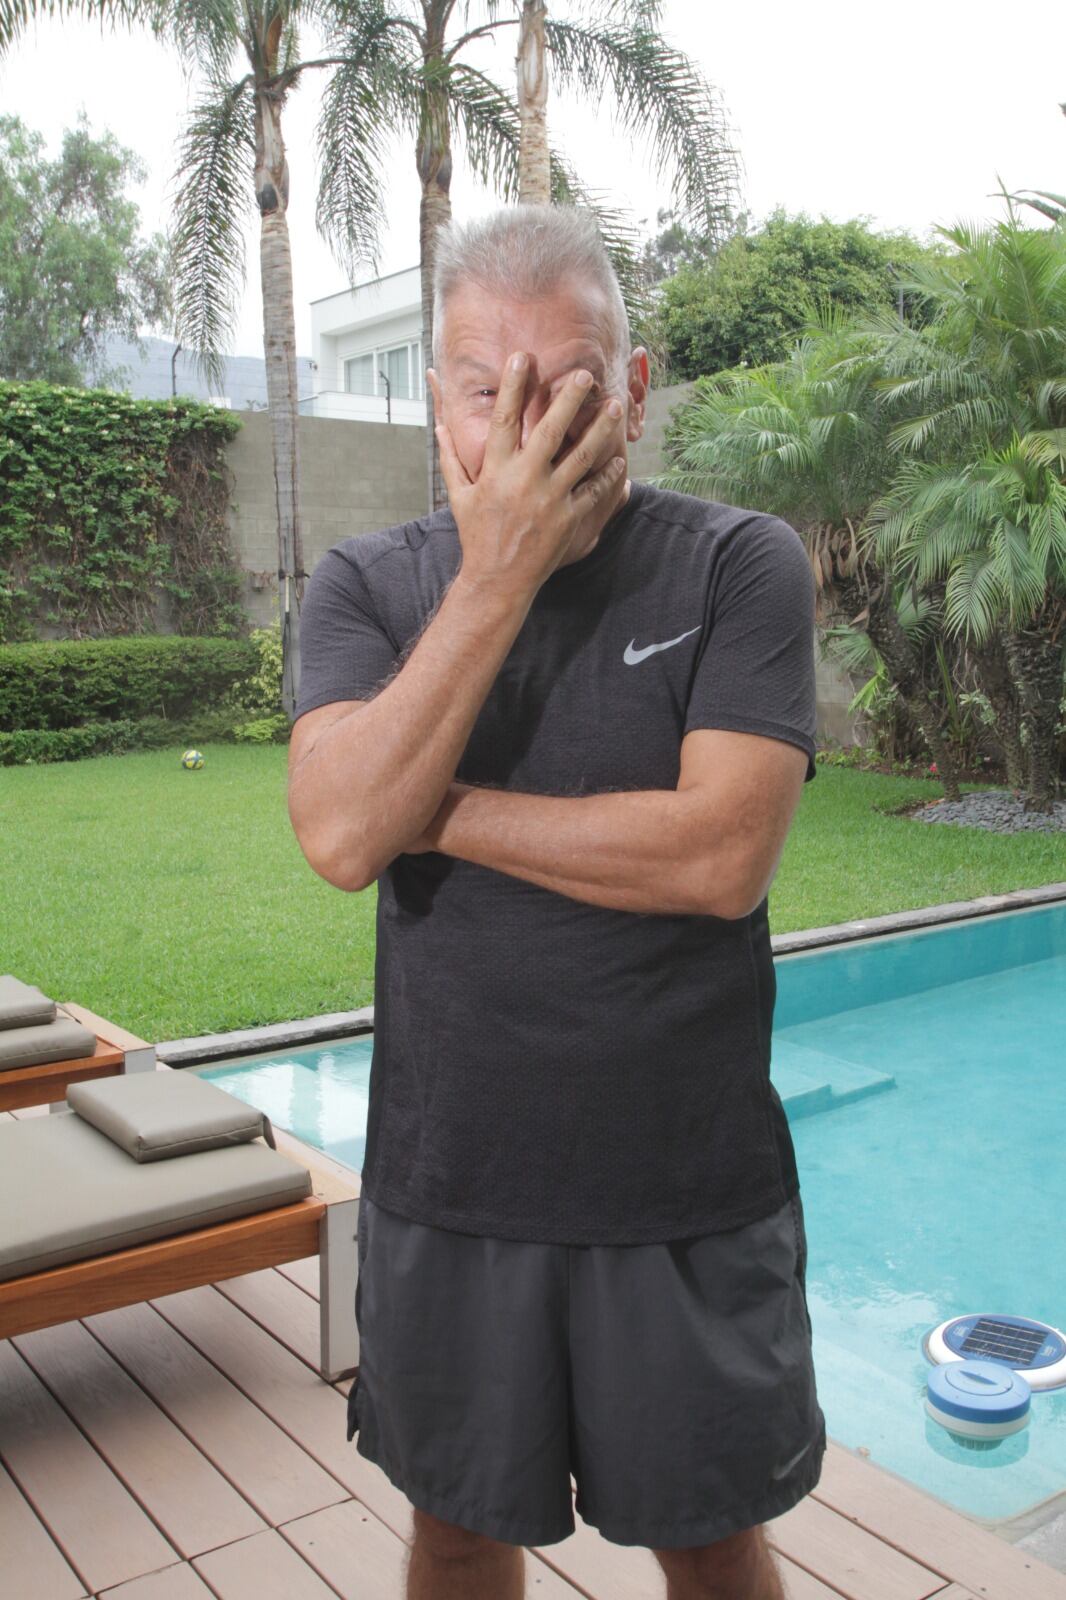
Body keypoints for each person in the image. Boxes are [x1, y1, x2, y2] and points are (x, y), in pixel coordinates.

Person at [287, 205, 825, 1600]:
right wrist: (502, 569)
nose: (524, 424)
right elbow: (344, 833)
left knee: (708, 1539)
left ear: (634, 390)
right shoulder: (364, 585)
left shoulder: (735, 563)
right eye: (485, 388)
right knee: (459, 1533)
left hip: (684, 1188)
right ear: (434, 401)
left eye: (568, 384)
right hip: (451, 1181)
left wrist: (432, 808)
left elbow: (718, 859)